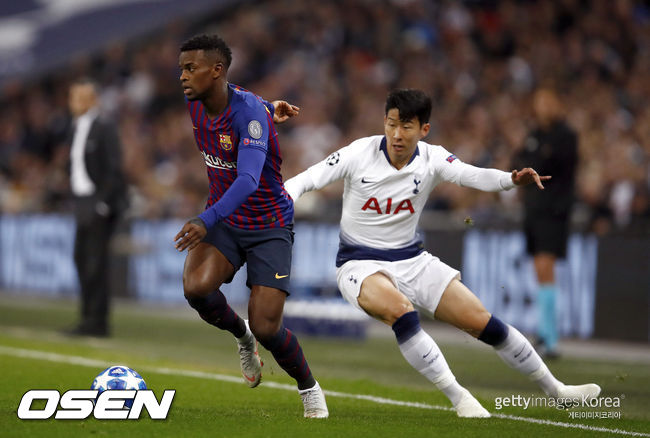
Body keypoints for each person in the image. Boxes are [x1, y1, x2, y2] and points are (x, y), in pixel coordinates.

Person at [285, 89, 600, 417]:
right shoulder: (359, 153)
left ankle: (557, 391)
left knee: (483, 322)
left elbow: (471, 174)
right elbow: (307, 179)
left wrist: (509, 180)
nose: (396, 134)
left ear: (424, 129)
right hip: (359, 263)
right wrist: (282, 200)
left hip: (412, 260)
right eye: (391, 124)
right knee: (402, 312)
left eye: (406, 126)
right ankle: (460, 398)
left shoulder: (432, 158)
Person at [173, 34, 328, 418]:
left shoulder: (249, 115)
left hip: (267, 225)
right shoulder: (199, 102)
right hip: (227, 219)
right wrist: (269, 106)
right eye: (182, 69)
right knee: (196, 288)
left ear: (216, 70)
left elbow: (247, 180)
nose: (183, 76)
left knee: (268, 328)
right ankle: (242, 336)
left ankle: (309, 387)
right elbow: (244, 99)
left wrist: (205, 219)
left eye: (191, 68)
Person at [512, 88, 578, 359]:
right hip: (533, 211)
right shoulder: (534, 135)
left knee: (545, 266)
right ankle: (544, 333)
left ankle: (550, 339)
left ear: (558, 104)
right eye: (540, 102)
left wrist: (536, 158)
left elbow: (552, 166)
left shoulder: (565, 136)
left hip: (553, 212)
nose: (544, 107)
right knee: (539, 269)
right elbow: (517, 164)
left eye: (549, 101)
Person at [65, 78, 128, 337]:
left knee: (95, 264)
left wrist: (103, 203)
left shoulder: (104, 127)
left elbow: (114, 167)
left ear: (91, 100)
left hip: (98, 203)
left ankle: (97, 322)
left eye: (79, 97)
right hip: (82, 202)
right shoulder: (75, 127)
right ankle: (86, 318)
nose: (74, 102)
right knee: (81, 260)